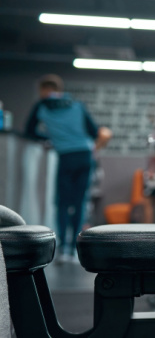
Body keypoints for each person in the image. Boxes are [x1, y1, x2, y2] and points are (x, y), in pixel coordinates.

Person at [24, 75, 112, 261]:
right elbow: (94, 131)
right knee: (80, 202)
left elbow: (29, 131)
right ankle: (74, 249)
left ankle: (63, 248)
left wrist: (48, 138)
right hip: (84, 156)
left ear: (43, 89)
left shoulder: (41, 106)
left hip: (65, 157)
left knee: (63, 203)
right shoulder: (77, 104)